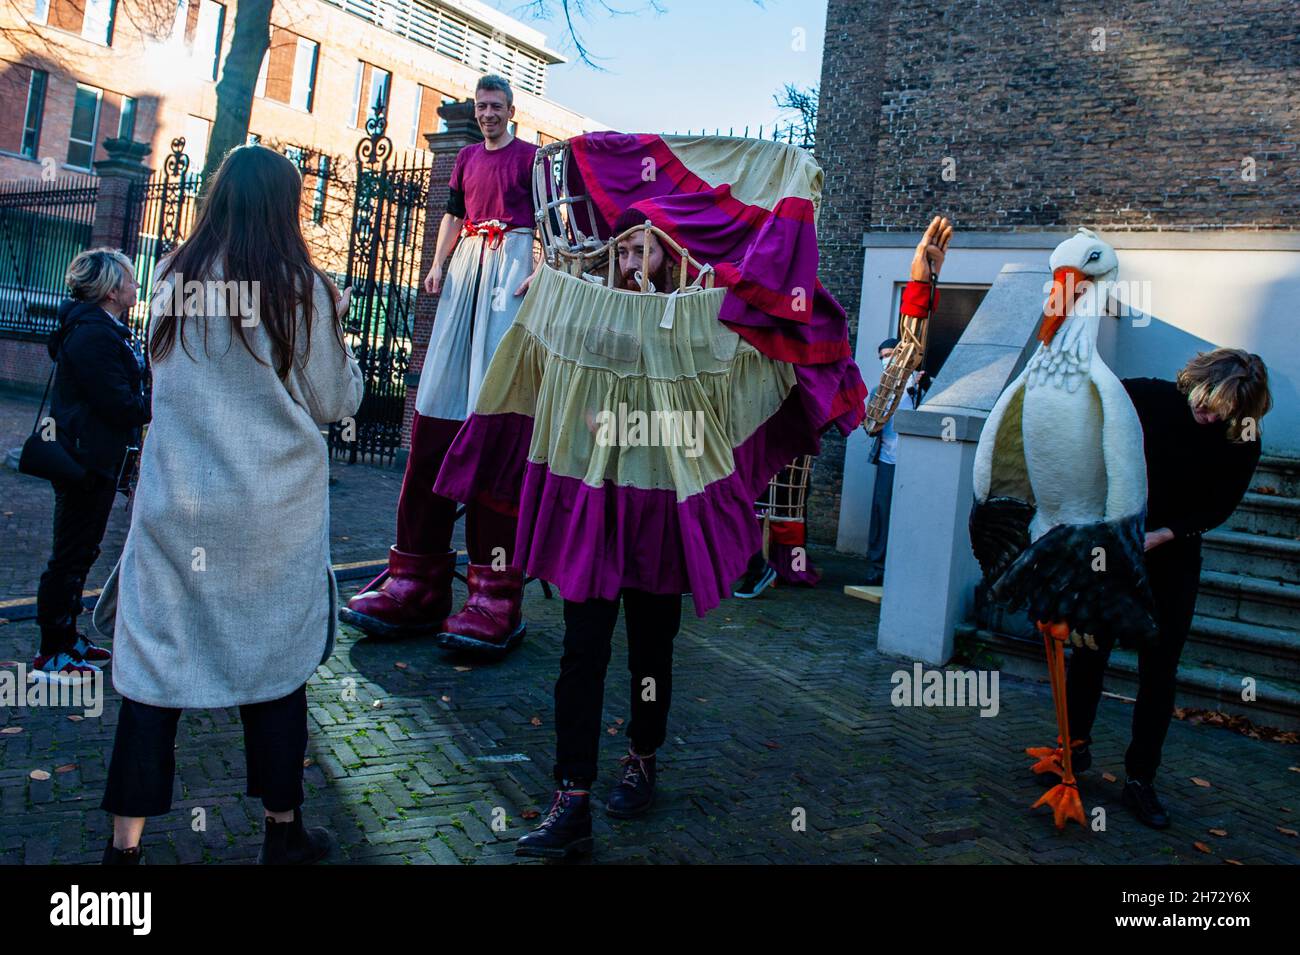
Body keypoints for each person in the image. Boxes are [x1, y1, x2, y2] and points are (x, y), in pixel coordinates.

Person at [93, 145, 364, 865]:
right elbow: (336, 400)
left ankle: (123, 854)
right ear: (285, 206)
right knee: (274, 668)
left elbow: (161, 373)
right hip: (267, 519)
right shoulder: (299, 287)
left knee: (152, 677)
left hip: (176, 510)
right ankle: (282, 832)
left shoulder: (174, 275)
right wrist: (335, 320)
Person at [342, 74, 539, 657]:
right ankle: (418, 576)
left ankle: (495, 589)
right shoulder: (467, 160)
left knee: (495, 395)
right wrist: (436, 263)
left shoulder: (533, 160)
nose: (487, 114)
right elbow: (452, 215)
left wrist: (541, 270)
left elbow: (552, 221)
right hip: (468, 269)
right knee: (438, 398)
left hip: (512, 264)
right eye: (480, 107)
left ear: (511, 111)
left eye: (496, 107)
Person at [1062, 348, 1271, 829]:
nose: (1209, 413)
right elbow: (1082, 404)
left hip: (1173, 555)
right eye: (1206, 399)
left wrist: (1164, 534)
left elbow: (1220, 506)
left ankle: (1141, 779)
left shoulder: (1242, 435)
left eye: (1223, 410)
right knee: (1089, 651)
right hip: (1112, 548)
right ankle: (1072, 752)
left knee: (1159, 671)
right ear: (1193, 380)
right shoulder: (1147, 395)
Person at [33, 249, 148, 680]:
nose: (136, 287)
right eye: (131, 281)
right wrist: (149, 404)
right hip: (85, 460)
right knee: (70, 553)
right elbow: (117, 402)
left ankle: (67, 637)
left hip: (95, 458)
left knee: (82, 551)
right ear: (112, 289)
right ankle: (52, 650)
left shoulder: (103, 328)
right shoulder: (93, 334)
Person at [862, 218, 948, 585]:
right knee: (881, 513)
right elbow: (872, 421)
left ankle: (904, 570)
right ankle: (877, 568)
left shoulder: (917, 384)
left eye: (891, 355)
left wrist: (927, 281)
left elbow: (912, 346)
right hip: (888, 459)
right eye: (885, 355)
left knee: (909, 515)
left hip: (913, 462)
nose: (889, 359)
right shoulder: (886, 386)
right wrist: (918, 281)